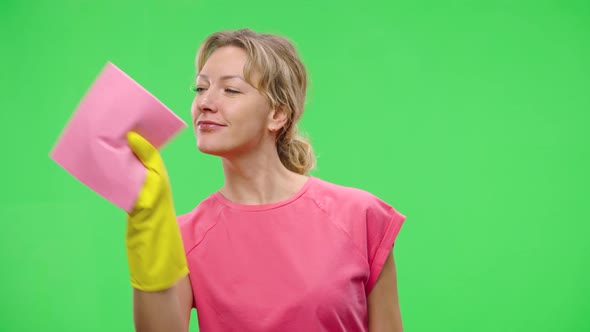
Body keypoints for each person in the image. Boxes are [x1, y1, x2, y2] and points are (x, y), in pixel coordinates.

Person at [124, 28, 406, 332]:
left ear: (278, 114)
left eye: (230, 90)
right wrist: (148, 224)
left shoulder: (359, 216)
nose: (205, 102)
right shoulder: (183, 238)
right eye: (200, 88)